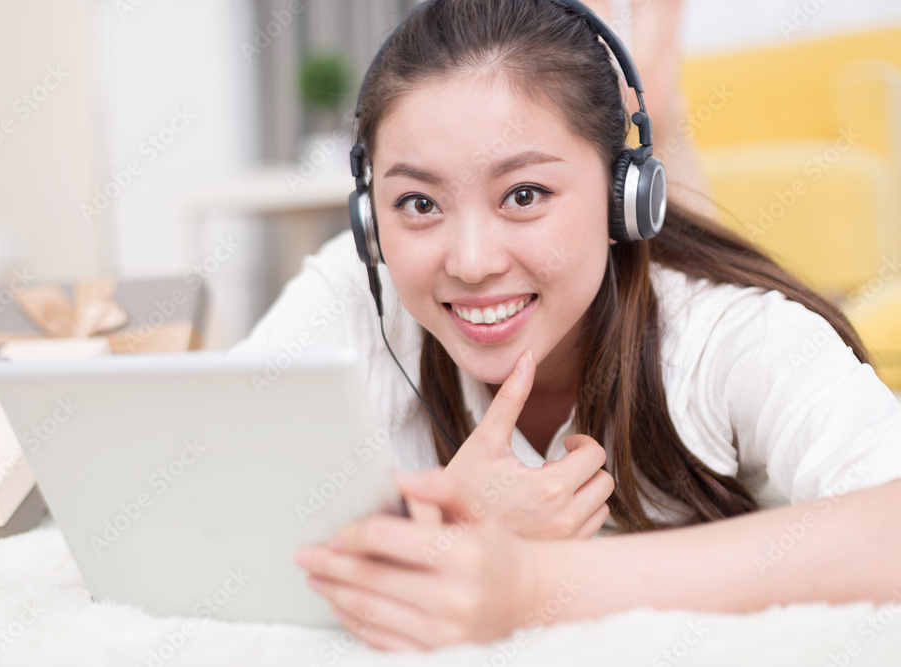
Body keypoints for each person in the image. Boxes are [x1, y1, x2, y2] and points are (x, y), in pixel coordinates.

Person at [227, 0, 901, 652]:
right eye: (418, 202)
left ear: (623, 198)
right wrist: (446, 518)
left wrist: (527, 583)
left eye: (524, 195)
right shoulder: (358, 289)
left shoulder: (729, 336)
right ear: (371, 225)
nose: (470, 261)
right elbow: (198, 499)